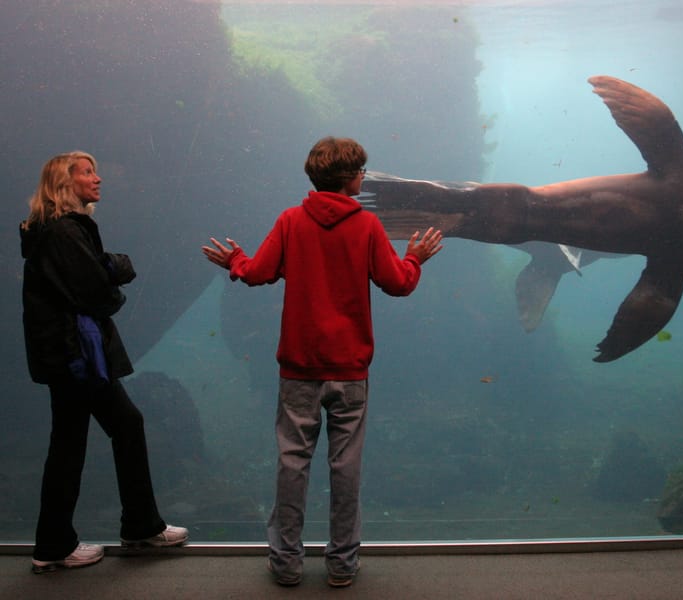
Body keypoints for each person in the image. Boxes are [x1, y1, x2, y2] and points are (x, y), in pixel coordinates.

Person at [202, 136, 443, 588]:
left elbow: (257, 273)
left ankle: (287, 562)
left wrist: (234, 259)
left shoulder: (292, 221)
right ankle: (342, 563)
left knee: (292, 462)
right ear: (351, 178)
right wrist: (415, 258)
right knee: (345, 465)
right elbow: (397, 284)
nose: (365, 178)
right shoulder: (367, 226)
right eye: (363, 171)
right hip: (349, 369)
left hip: (299, 367)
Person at [20, 151, 189, 574]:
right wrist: (118, 270)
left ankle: (127, 528)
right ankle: (68, 543)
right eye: (88, 173)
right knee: (88, 438)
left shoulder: (51, 230)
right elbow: (95, 291)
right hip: (77, 355)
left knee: (106, 431)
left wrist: (106, 270)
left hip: (69, 354)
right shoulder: (64, 231)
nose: (98, 179)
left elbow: (88, 279)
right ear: (65, 182)